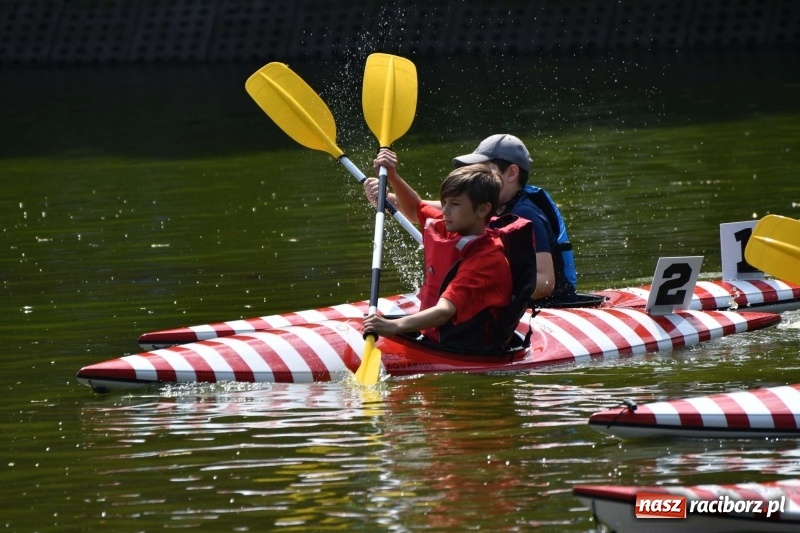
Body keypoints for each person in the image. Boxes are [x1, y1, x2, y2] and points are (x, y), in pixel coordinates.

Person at [364, 134, 577, 306]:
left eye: (483, 169)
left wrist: (479, 287)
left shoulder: (528, 214)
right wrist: (387, 192)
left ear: (511, 173)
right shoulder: (484, 205)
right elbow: (418, 210)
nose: (475, 176)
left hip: (550, 307)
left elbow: (546, 283)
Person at [362, 163, 513, 350]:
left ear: (482, 209)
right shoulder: (449, 226)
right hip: (435, 337)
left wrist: (393, 326)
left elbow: (444, 312)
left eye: (455, 204)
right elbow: (415, 208)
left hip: (465, 348)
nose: (445, 211)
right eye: (444, 203)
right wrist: (392, 175)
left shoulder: (486, 258)